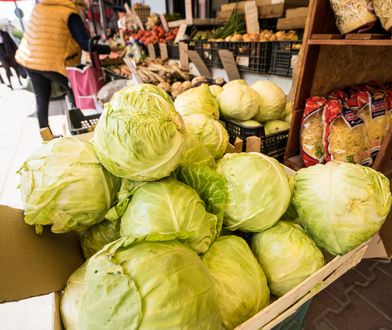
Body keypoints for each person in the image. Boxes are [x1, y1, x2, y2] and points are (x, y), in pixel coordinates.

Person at [15, 0, 111, 135]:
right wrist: (108, 49)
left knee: (41, 98)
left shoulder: (41, 7)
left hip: (30, 59)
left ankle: (46, 136)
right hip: (51, 61)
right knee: (74, 91)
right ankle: (82, 131)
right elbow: (85, 44)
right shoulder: (69, 13)